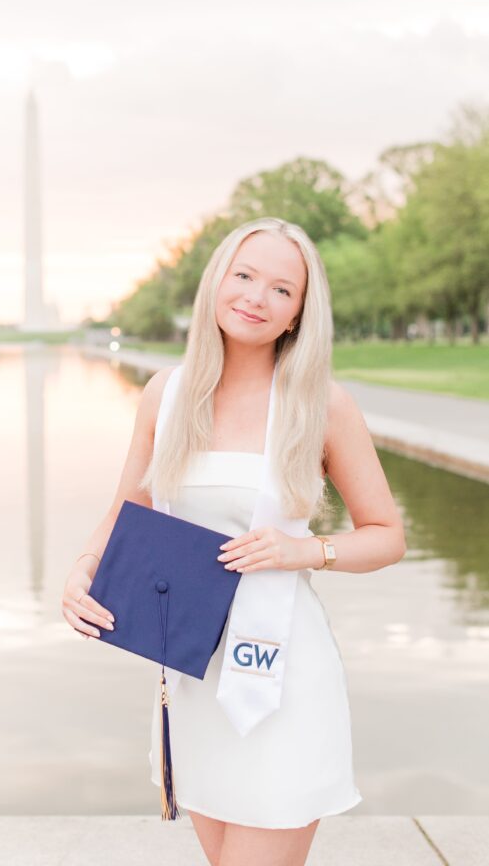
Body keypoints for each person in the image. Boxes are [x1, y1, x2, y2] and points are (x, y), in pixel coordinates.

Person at [62, 217, 406, 866]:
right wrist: (83, 571)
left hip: (279, 676)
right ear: (215, 281)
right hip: (192, 673)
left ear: (299, 313)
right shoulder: (166, 395)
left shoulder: (321, 405)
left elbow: (386, 536)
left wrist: (306, 550)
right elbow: (126, 509)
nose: (255, 296)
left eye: (281, 288)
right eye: (243, 275)